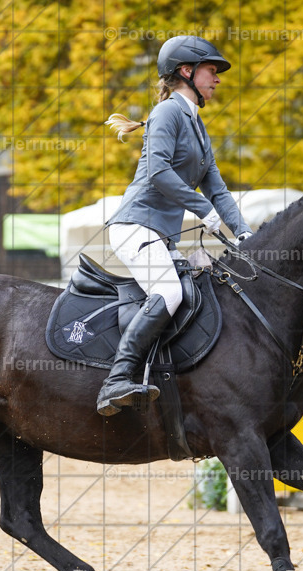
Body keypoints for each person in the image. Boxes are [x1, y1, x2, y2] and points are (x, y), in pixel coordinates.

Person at [96, 36, 251, 416]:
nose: (217, 79)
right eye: (211, 71)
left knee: (196, 290)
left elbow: (217, 186)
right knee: (169, 292)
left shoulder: (196, 124)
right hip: (135, 225)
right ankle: (116, 380)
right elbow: (159, 172)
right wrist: (203, 211)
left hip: (159, 233)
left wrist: (245, 233)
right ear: (187, 71)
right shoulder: (167, 113)